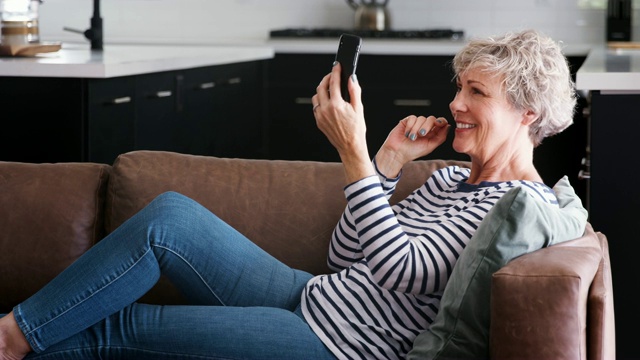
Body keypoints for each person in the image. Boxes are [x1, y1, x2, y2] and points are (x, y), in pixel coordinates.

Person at [0, 28, 576, 360]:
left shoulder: (513, 209)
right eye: (459, 87)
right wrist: (387, 162)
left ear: (528, 114)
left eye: (476, 92)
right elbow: (346, 258)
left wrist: (354, 153)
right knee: (168, 217)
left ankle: (11, 338)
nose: (455, 104)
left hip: (342, 344)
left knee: (124, 326)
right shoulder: (449, 177)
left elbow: (404, 270)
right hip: (313, 294)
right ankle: (16, 332)